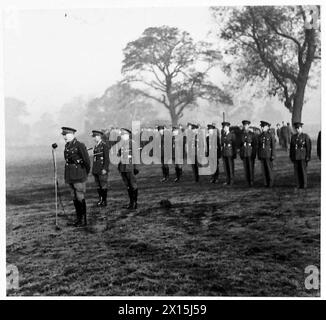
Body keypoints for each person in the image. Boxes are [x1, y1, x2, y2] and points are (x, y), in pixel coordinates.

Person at [62, 127, 90, 226]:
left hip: (79, 174)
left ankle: (83, 220)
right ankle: (79, 218)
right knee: (74, 197)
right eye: (63, 135)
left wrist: (84, 173)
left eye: (66, 135)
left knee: (79, 196)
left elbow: (86, 161)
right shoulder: (67, 146)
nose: (64, 137)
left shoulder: (79, 145)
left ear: (72, 134)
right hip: (70, 174)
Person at [118, 128, 139, 209]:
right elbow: (120, 154)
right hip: (123, 167)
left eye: (123, 135)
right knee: (128, 185)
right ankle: (131, 202)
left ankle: (135, 202)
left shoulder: (132, 143)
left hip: (129, 166)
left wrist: (136, 167)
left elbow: (136, 156)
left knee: (133, 185)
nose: (122, 136)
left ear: (127, 135)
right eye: (121, 135)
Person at [289, 122, 312, 189]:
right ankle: (298, 184)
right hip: (295, 157)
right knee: (296, 171)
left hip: (302, 156)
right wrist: (291, 156)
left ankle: (304, 184)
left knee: (303, 171)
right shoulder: (293, 137)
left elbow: (308, 147)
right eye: (296, 128)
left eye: (298, 128)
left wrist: (308, 156)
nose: (297, 129)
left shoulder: (305, 136)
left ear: (301, 128)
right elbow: (291, 148)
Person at [91, 130, 110, 207]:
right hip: (96, 169)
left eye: (95, 137)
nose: (94, 138)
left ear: (99, 136)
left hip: (102, 169)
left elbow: (106, 158)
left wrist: (105, 168)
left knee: (103, 185)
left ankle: (104, 201)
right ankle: (101, 199)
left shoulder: (104, 145)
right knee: (98, 186)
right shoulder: (96, 146)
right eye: (94, 137)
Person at [257, 121, 275, 187]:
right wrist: (258, 155)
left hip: (268, 154)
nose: (262, 128)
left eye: (263, 127)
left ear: (267, 127)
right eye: (261, 127)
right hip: (262, 154)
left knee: (269, 169)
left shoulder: (270, 135)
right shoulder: (260, 136)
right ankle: (265, 182)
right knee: (264, 170)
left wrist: (272, 155)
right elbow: (258, 146)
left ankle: (270, 183)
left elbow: (273, 146)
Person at [239, 120, 257, 187]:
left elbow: (255, 145)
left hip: (250, 153)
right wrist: (241, 154)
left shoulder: (252, 134)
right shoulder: (242, 135)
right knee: (246, 168)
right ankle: (247, 181)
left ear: (248, 126)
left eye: (246, 125)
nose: (245, 126)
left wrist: (254, 154)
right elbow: (240, 145)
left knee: (250, 168)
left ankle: (251, 180)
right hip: (244, 153)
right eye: (244, 125)